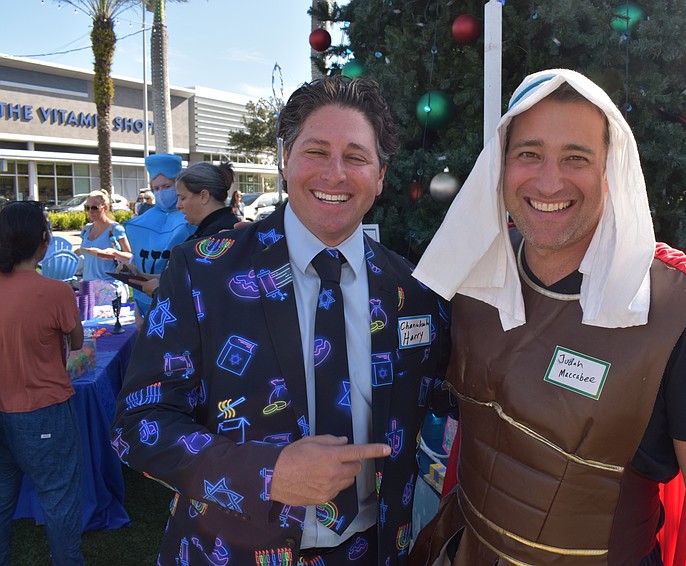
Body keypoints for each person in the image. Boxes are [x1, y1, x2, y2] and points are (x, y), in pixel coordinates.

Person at [410, 69, 686, 565]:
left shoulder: (673, 307)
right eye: (529, 153)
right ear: (500, 166)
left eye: (576, 158)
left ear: (610, 172)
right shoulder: (470, 277)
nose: (549, 180)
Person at [112, 75, 449, 566]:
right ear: (285, 159)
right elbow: (138, 424)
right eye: (316, 151)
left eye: (356, 156)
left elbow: (467, 396)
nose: (335, 174)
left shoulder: (414, 291)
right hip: (231, 552)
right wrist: (267, 473)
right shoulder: (203, 271)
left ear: (379, 176)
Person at [0, 201, 84, 565]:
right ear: (42, 241)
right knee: (58, 499)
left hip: (8, 409)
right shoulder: (54, 291)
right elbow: (78, 341)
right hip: (43, 411)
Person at [122, 154, 194, 318]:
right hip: (145, 303)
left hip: (179, 303)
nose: (161, 192)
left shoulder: (192, 217)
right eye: (156, 189)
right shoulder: (140, 223)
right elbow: (138, 260)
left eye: (166, 186)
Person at [76, 189, 133, 305]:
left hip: (108, 286)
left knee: (108, 321)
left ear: (105, 208)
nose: (91, 211)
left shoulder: (115, 229)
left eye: (94, 208)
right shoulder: (87, 229)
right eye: (87, 208)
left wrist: (114, 252)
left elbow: (129, 256)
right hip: (88, 285)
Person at [175, 162, 240, 240]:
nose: (178, 205)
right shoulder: (225, 225)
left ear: (204, 196)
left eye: (183, 198)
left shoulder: (215, 236)